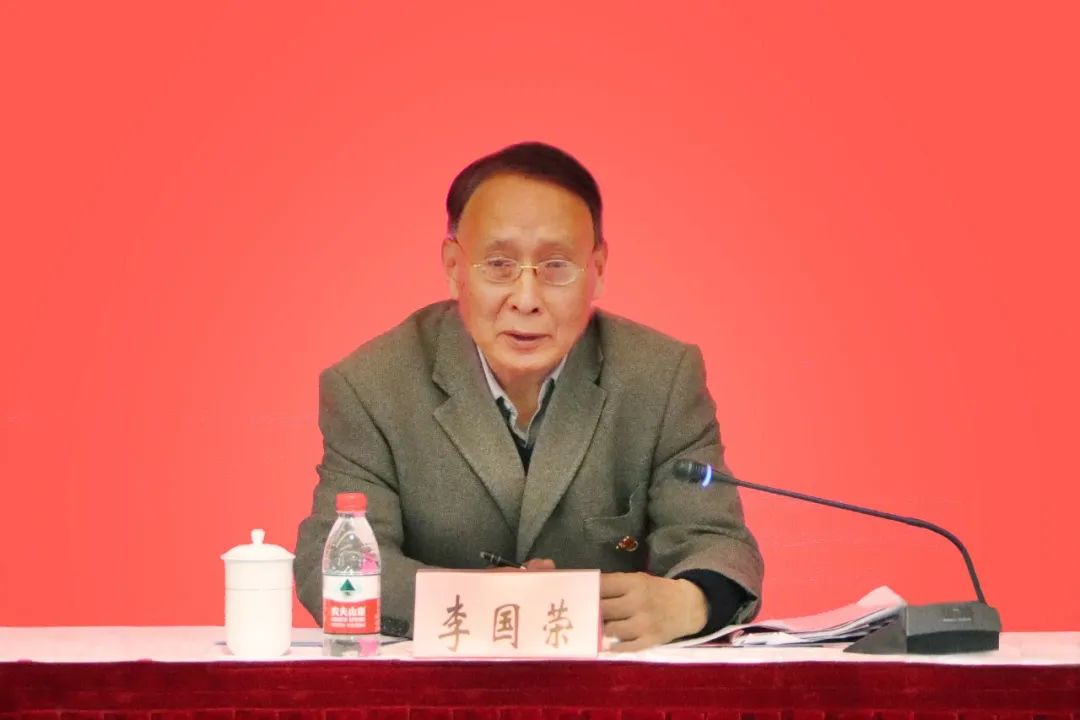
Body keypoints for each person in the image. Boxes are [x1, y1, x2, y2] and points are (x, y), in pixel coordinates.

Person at [295, 141, 763, 650]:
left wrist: (690, 601)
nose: (526, 299)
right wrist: (483, 601)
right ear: (453, 265)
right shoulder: (371, 386)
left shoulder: (660, 378)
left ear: (598, 269)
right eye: (498, 264)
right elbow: (333, 565)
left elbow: (716, 542)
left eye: (556, 266)